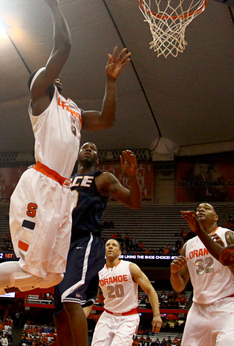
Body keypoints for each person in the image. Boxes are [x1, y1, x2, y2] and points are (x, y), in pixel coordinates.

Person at [0, 0, 131, 329]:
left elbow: (106, 120)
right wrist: (52, 2)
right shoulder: (41, 99)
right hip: (40, 186)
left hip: (63, 191)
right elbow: (64, 49)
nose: (50, 73)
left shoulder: (71, 109)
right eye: (43, 73)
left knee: (50, 278)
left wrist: (110, 82)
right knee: (31, 268)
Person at [54, 142, 141, 346]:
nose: (88, 149)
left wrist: (132, 176)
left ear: (97, 159)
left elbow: (135, 203)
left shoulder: (102, 178)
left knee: (70, 299)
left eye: (93, 148)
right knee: (59, 313)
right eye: (85, 146)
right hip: (61, 246)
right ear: (76, 155)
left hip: (85, 240)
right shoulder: (64, 180)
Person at [170, 203, 234, 346]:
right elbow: (179, 287)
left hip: (227, 304)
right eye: (198, 209)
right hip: (198, 308)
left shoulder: (227, 235)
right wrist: (174, 273)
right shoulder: (188, 245)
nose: (201, 210)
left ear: (216, 217)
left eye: (207, 208)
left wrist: (225, 254)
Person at [91, 239, 162, 346]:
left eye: (114, 245)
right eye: (107, 245)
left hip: (128, 317)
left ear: (120, 252)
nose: (110, 247)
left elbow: (150, 290)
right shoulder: (98, 272)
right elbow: (90, 296)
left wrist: (156, 315)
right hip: (107, 316)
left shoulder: (130, 267)